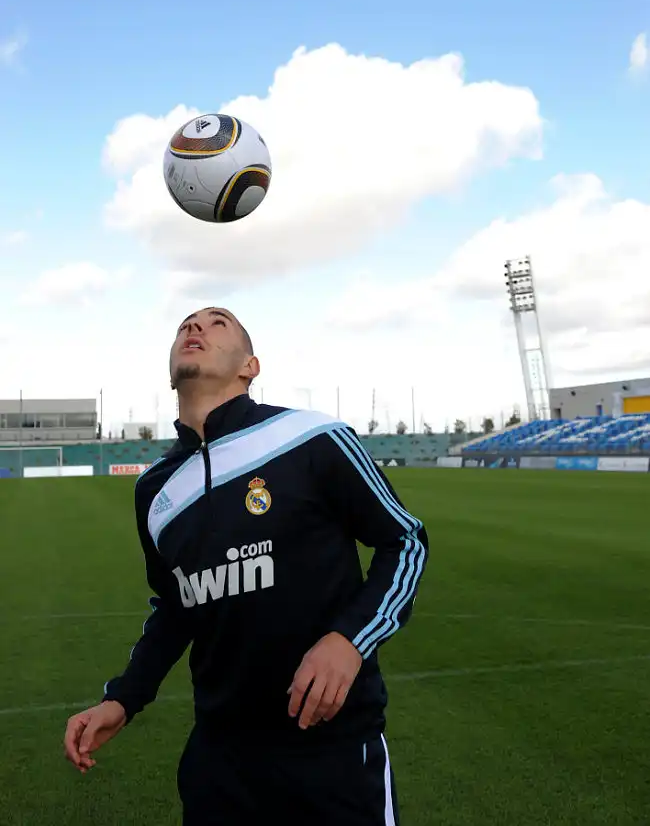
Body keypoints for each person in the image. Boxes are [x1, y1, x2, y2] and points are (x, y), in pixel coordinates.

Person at [64, 306, 429, 825]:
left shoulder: (312, 437)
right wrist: (122, 699)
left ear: (249, 367)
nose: (194, 328)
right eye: (185, 325)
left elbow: (405, 541)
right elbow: (176, 608)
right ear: (171, 372)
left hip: (330, 751)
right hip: (220, 763)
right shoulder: (155, 491)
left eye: (217, 323)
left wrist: (350, 640)